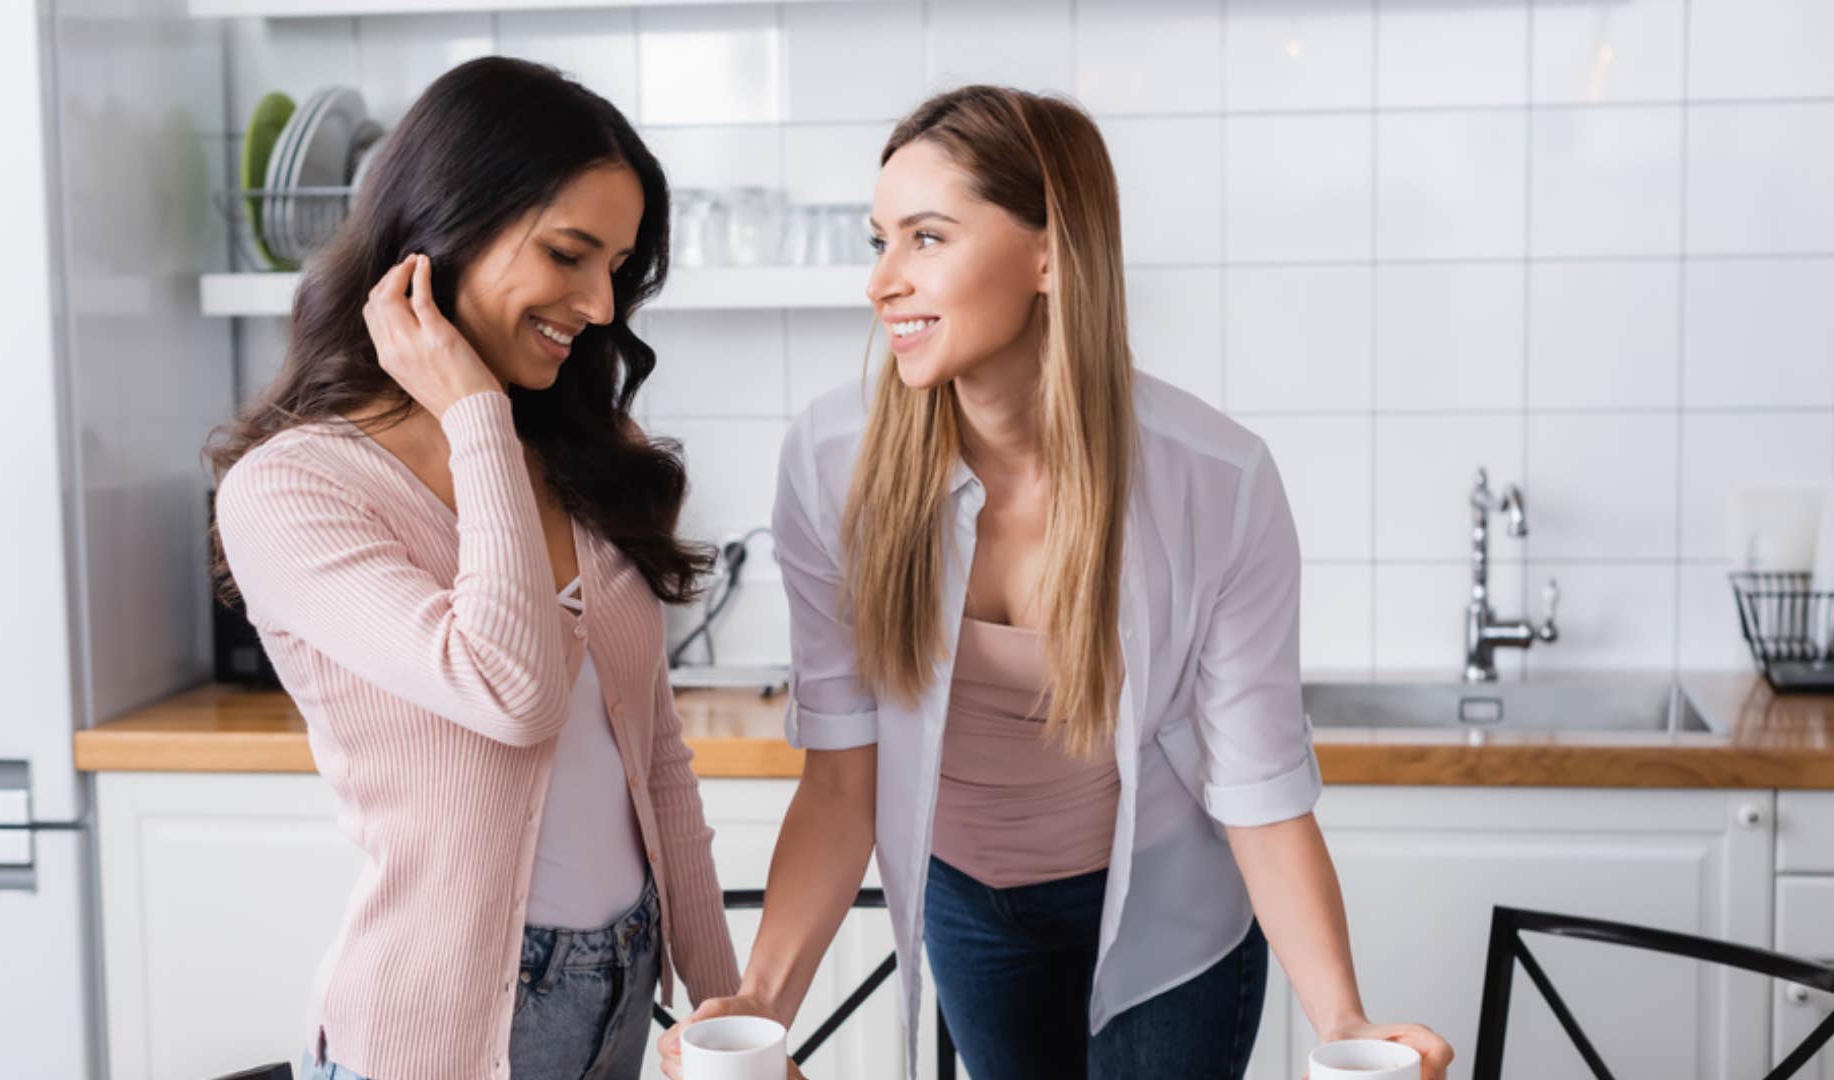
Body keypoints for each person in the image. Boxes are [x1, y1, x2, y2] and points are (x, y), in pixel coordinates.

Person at [660, 85, 1454, 1080]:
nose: (882, 284)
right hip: (969, 903)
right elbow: (841, 777)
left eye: (928, 237)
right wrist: (763, 1010)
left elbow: (1258, 785)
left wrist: (1342, 1022)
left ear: (1049, 253)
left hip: (1169, 909)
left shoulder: (1215, 479)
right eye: (880, 242)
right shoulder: (834, 462)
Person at [210, 57, 738, 1080]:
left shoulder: (580, 453)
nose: (597, 303)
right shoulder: (295, 490)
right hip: (443, 1036)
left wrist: (725, 1016)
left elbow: (660, 764)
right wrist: (473, 416)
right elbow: (512, 689)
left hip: (625, 996)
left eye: (619, 268)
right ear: (442, 229)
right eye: (568, 254)